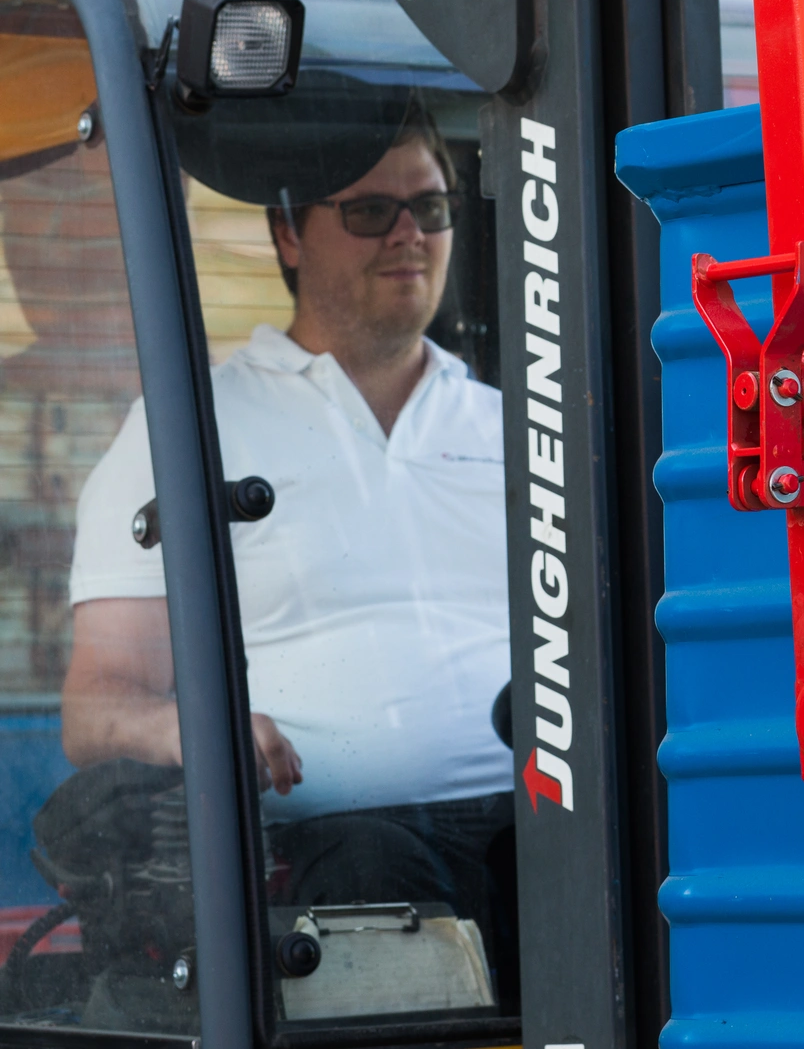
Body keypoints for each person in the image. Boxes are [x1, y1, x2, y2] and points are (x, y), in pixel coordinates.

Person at [60, 123, 512, 982]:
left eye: (430, 207)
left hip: (538, 828)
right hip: (320, 851)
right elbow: (94, 706)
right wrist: (190, 728)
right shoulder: (186, 429)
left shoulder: (516, 425)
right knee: (376, 881)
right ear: (288, 233)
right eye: (372, 210)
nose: (409, 234)